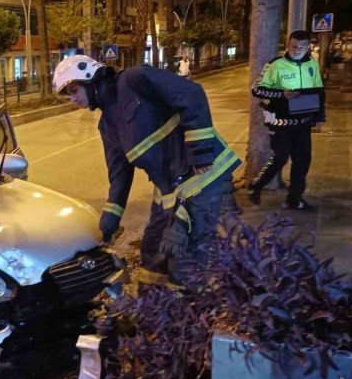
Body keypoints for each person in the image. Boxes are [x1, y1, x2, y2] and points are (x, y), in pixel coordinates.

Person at [52, 55, 240, 289]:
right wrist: (109, 221)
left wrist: (200, 151)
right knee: (153, 248)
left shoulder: (134, 80)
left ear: (89, 77)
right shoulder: (107, 124)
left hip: (206, 175)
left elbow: (192, 94)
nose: (73, 99)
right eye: (68, 95)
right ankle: (150, 306)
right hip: (172, 190)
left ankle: (188, 314)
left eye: (73, 90)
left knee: (185, 255)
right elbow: (119, 173)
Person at [247, 30, 325, 209]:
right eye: (294, 46)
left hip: (303, 121)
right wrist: (282, 95)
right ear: (288, 45)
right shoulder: (276, 64)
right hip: (280, 121)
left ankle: (295, 198)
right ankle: (256, 185)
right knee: (281, 157)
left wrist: (320, 116)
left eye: (302, 46)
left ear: (308, 47)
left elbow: (319, 91)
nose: (298, 49)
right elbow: (256, 89)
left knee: (303, 159)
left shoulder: (311, 63)